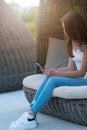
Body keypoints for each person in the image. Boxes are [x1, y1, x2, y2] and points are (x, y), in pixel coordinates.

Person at [9, 11, 87, 130]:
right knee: (50, 77)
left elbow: (81, 72)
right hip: (80, 78)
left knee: (54, 79)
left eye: (65, 27)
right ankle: (31, 112)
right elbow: (70, 68)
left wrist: (55, 73)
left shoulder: (85, 45)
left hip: (85, 80)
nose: (64, 30)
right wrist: (52, 70)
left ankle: (30, 116)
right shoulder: (71, 43)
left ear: (72, 28)